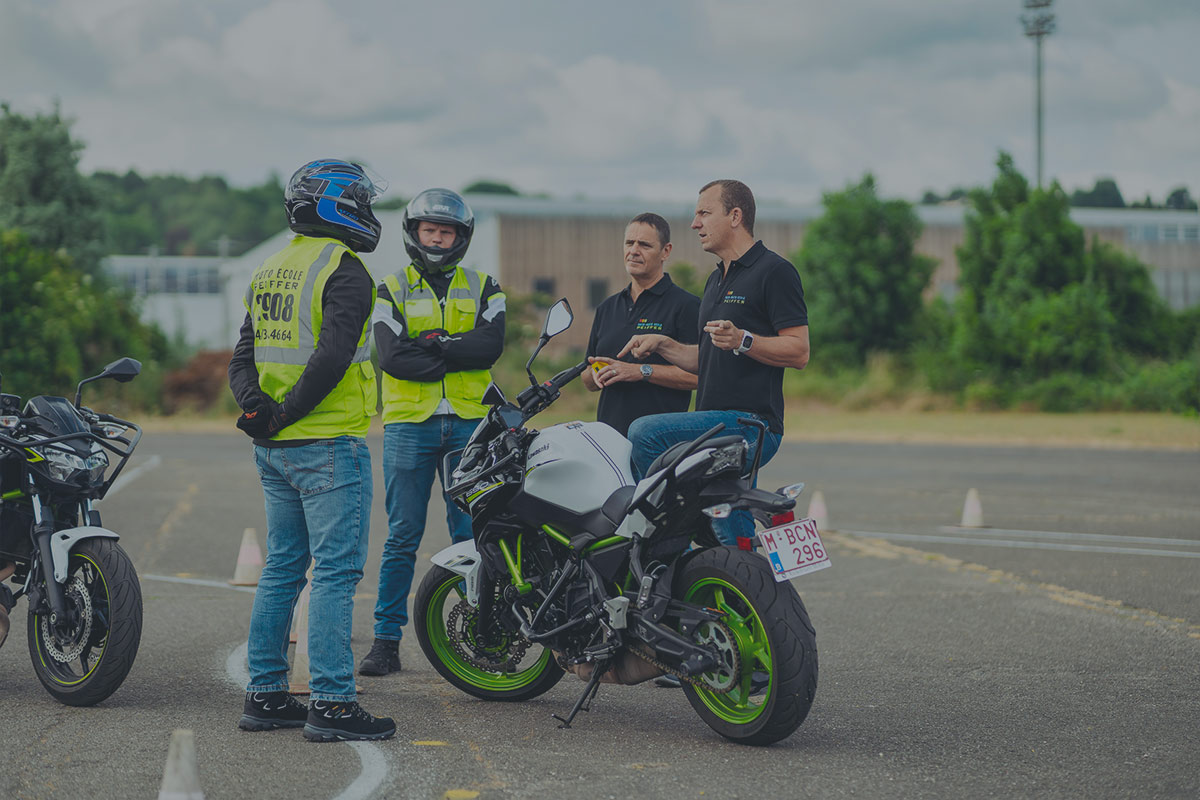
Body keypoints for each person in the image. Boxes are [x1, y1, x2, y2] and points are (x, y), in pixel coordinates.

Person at [228, 159, 395, 742]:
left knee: (281, 570)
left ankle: (266, 694)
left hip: (275, 448)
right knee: (335, 575)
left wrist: (258, 412)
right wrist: (283, 413)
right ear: (334, 205)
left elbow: (242, 356)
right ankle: (332, 703)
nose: (368, 212)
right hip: (327, 443)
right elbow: (330, 358)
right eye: (361, 201)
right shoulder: (344, 270)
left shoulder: (273, 267)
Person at [358, 188, 506, 677]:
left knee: (472, 533)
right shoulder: (389, 288)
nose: (438, 239)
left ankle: (486, 633)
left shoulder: (485, 285)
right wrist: (453, 346)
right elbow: (393, 357)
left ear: (460, 237)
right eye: (430, 230)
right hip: (408, 425)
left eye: (446, 232)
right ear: (414, 233)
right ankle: (385, 642)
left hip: (470, 423)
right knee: (402, 535)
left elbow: (489, 349)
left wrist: (431, 342)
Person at [620, 179, 809, 545]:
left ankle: (664, 540)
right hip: (717, 425)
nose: (695, 224)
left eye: (704, 213)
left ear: (735, 216)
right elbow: (705, 357)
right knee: (726, 540)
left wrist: (744, 340)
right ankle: (750, 590)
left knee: (644, 433)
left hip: (751, 425)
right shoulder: (715, 280)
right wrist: (664, 344)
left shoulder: (775, 271)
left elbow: (799, 351)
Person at [583, 213, 700, 437]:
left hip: (658, 443)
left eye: (644, 245)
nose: (634, 251)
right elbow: (587, 378)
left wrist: (640, 371)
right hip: (608, 439)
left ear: (666, 251)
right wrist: (596, 374)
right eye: (629, 243)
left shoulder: (687, 306)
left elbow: (698, 377)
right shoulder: (607, 308)